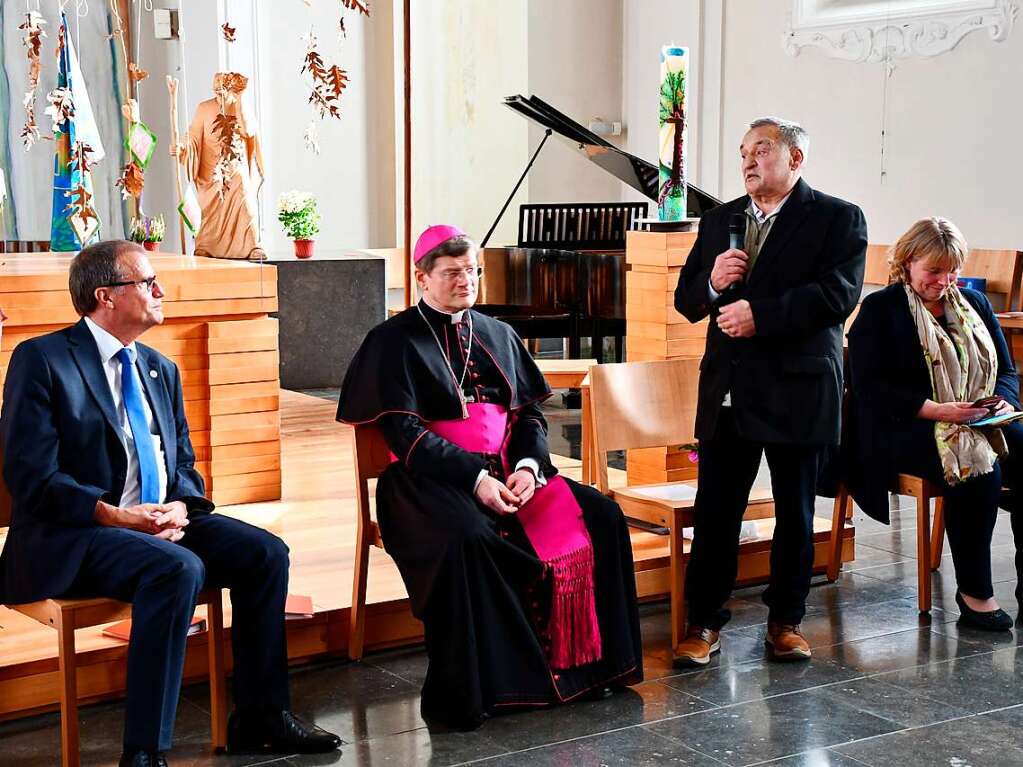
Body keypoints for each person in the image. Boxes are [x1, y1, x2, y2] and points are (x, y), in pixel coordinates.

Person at [0, 240, 340, 766]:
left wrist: (182, 505)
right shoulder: (42, 360)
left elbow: (184, 464)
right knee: (176, 570)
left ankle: (261, 716)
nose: (162, 291)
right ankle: (144, 750)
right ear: (105, 296)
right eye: (147, 281)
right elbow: (31, 477)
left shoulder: (160, 367)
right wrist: (116, 515)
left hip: (156, 522)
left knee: (266, 554)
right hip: (77, 531)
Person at [336, 225, 643, 730]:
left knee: (603, 515)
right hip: (425, 482)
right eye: (453, 273)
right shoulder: (391, 342)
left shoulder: (498, 334)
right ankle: (494, 686)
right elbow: (403, 432)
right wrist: (474, 480)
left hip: (508, 472)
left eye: (472, 271)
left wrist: (527, 466)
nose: (466, 281)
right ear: (422, 279)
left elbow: (529, 417)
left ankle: (594, 668)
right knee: (469, 537)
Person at [673, 116, 867, 665]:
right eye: (743, 153)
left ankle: (786, 621)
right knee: (716, 511)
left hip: (797, 389)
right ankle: (703, 625)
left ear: (795, 158)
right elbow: (688, 300)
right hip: (731, 391)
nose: (748, 161)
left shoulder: (836, 217)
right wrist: (712, 280)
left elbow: (838, 294)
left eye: (761, 150)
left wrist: (763, 315)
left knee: (795, 512)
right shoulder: (720, 219)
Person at [845, 217, 1016, 631]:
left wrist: (1000, 402)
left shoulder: (974, 305)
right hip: (903, 424)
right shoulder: (881, 309)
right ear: (907, 262)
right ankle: (975, 594)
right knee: (978, 467)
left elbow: (1008, 371)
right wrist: (940, 411)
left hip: (974, 416)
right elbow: (868, 389)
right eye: (934, 271)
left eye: (952, 270)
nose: (945, 280)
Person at [171, 72, 266, 260]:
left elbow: (248, 131)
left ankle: (251, 244)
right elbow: (194, 136)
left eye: (222, 91)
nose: (218, 95)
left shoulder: (240, 107)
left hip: (235, 167)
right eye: (216, 91)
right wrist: (183, 148)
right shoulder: (204, 108)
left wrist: (239, 102)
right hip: (210, 169)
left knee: (244, 200)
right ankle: (206, 245)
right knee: (210, 210)